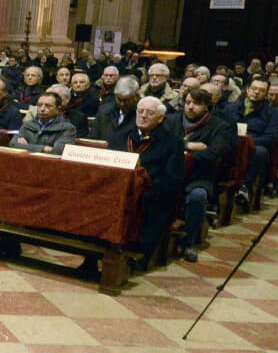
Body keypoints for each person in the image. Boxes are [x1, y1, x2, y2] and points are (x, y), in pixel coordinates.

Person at [127, 96, 183, 271]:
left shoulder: (172, 142)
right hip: (120, 189)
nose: (143, 116)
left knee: (153, 206)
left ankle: (139, 256)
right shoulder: (124, 135)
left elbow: (172, 178)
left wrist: (144, 189)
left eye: (150, 113)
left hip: (152, 193)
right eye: (140, 111)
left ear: (160, 118)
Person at [179, 87, 236, 263]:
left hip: (200, 176)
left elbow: (214, 153)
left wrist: (182, 153)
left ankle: (189, 243)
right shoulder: (172, 120)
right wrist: (188, 146)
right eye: (188, 102)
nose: (190, 107)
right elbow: (162, 142)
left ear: (206, 106)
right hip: (171, 172)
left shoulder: (221, 126)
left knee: (198, 196)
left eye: (196, 103)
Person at [221, 75, 278, 209]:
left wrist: (247, 142)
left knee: (260, 152)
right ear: (248, 89)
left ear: (266, 94)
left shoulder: (272, 114)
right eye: (254, 88)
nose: (256, 92)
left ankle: (245, 188)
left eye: (261, 90)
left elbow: (271, 137)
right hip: (230, 143)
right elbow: (221, 127)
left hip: (254, 146)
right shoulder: (231, 108)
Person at [92, 76, 140, 148]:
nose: (122, 104)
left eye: (126, 100)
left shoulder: (142, 115)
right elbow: (93, 138)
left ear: (136, 97)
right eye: (119, 99)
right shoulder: (104, 111)